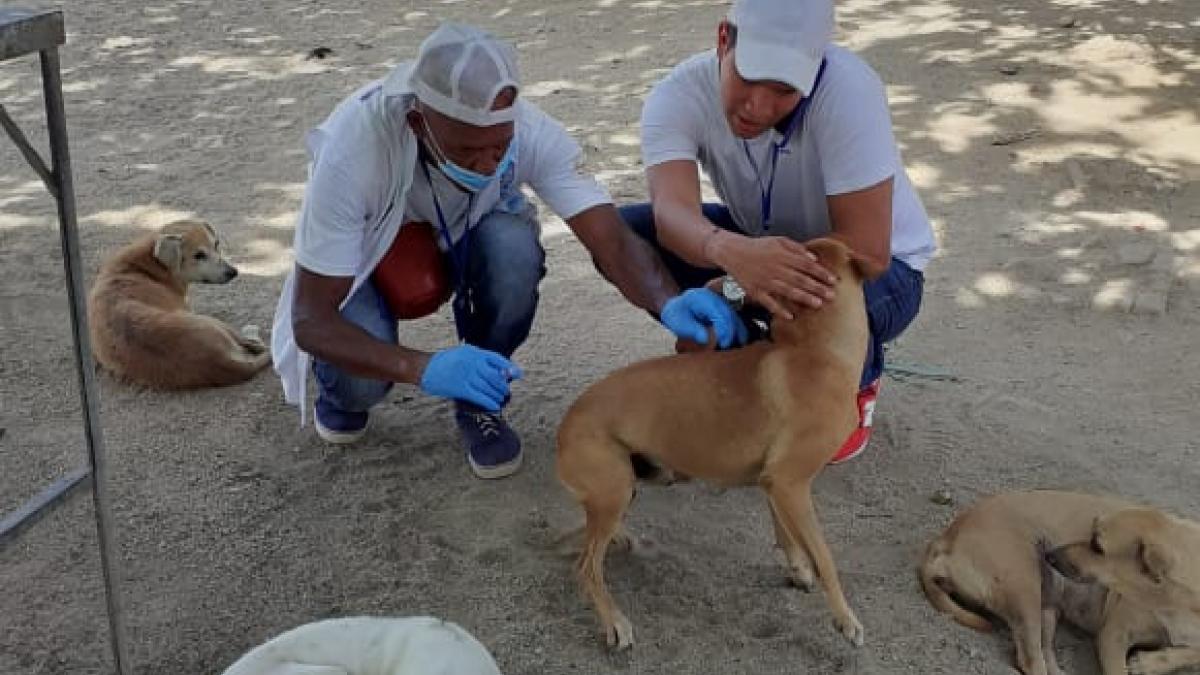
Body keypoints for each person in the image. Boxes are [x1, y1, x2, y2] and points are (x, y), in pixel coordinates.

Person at [271, 23, 744, 479]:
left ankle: (481, 389)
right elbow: (312, 319)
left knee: (514, 250)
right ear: (419, 122)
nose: (487, 161)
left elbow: (612, 239)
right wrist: (423, 366)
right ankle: (340, 394)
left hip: (466, 227)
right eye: (467, 149)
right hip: (373, 239)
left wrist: (669, 301)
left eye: (499, 147)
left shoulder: (532, 133)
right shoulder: (355, 151)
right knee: (361, 387)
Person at [622, 0, 937, 463]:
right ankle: (722, 345)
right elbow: (672, 214)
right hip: (756, 244)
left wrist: (731, 284)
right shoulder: (677, 93)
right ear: (723, 40)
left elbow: (869, 251)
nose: (759, 106)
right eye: (749, 78)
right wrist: (729, 253)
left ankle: (853, 382)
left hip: (876, 274)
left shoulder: (848, 88)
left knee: (817, 291)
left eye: (784, 90)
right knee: (628, 232)